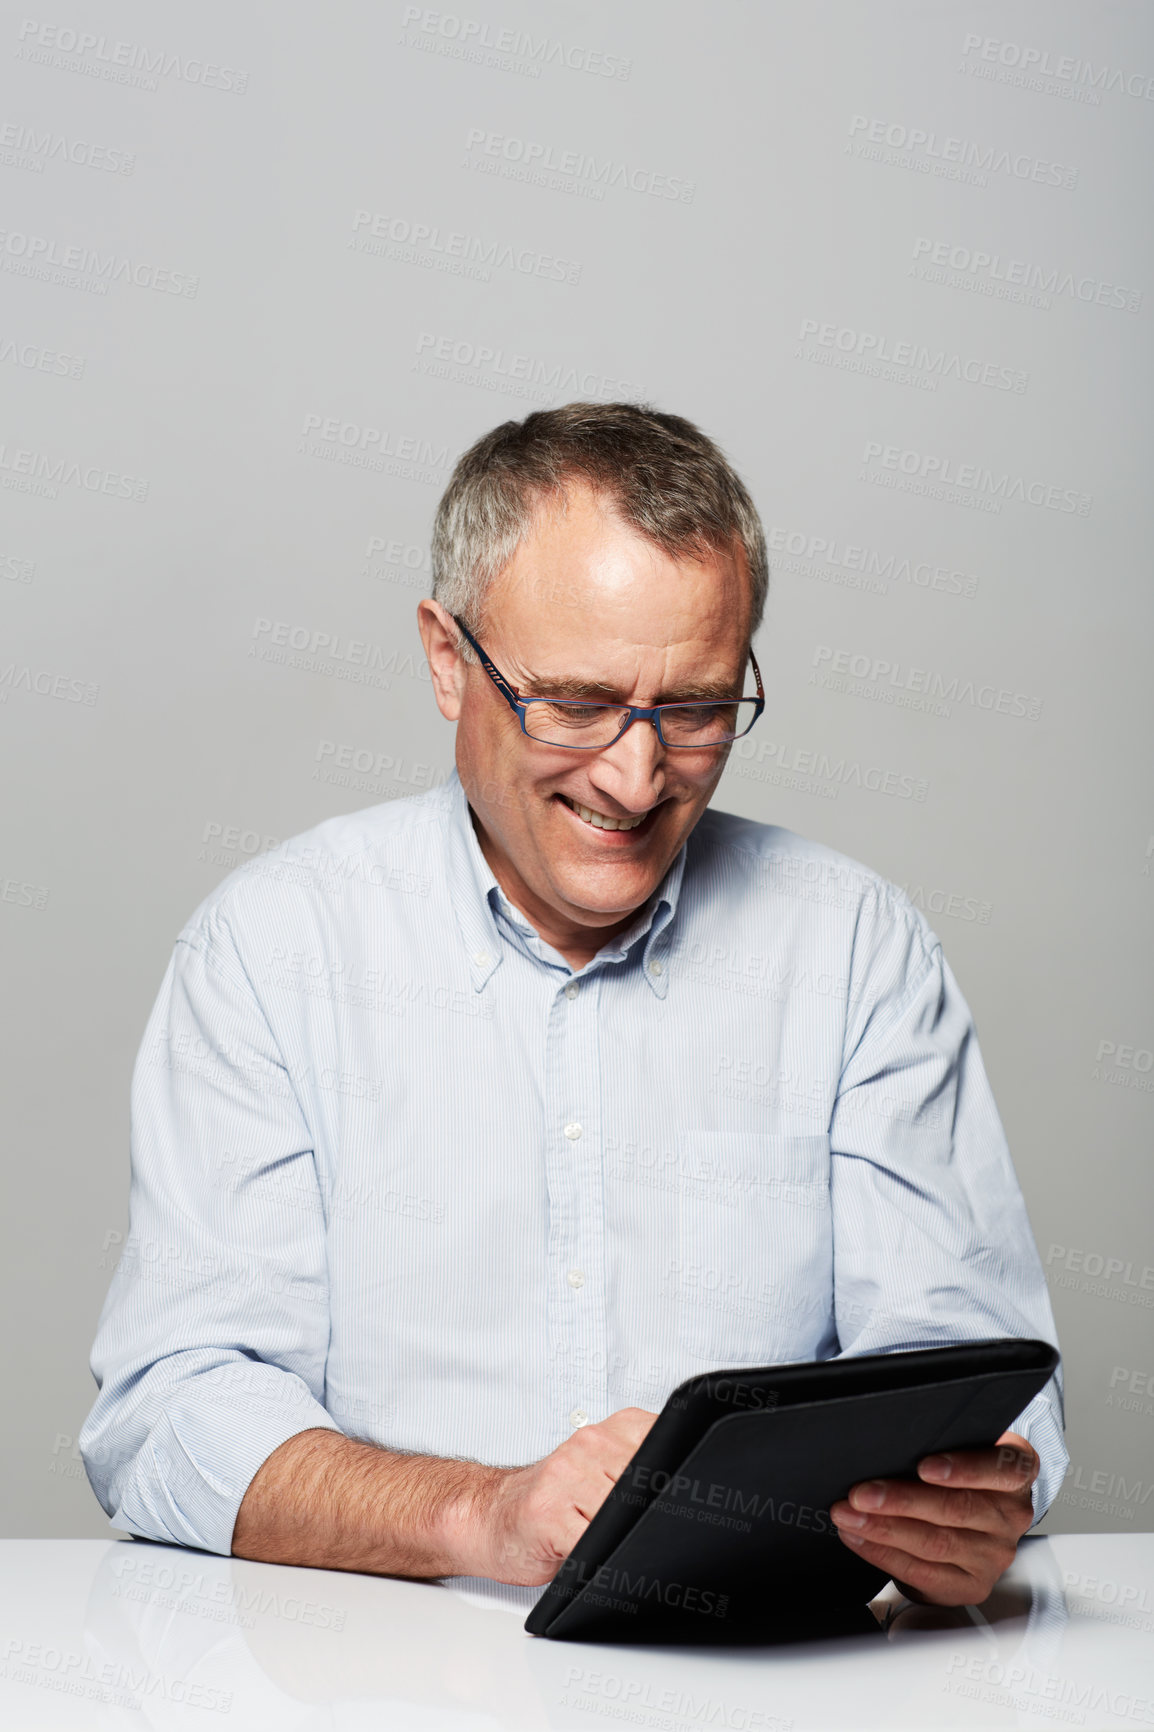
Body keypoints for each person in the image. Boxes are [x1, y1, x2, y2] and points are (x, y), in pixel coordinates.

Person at [81, 402, 1066, 1610]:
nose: (634, 776)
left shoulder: (856, 948)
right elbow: (169, 1415)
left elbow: (970, 1370)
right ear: (449, 661)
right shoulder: (272, 947)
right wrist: (482, 1512)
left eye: (696, 710)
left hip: (777, 1693)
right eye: (577, 703)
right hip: (374, 1687)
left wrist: (980, 1493)